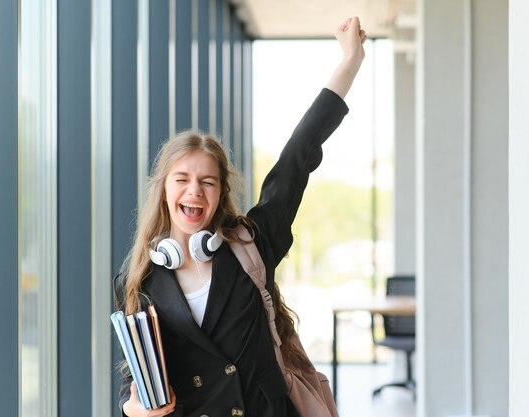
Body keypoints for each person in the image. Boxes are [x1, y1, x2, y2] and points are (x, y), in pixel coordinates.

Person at [114, 16, 366, 417]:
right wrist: (132, 408)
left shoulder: (251, 244)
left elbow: (296, 159)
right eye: (182, 179)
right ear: (164, 190)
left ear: (220, 194)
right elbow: (136, 374)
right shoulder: (142, 278)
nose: (194, 190)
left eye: (207, 182)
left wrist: (349, 61)